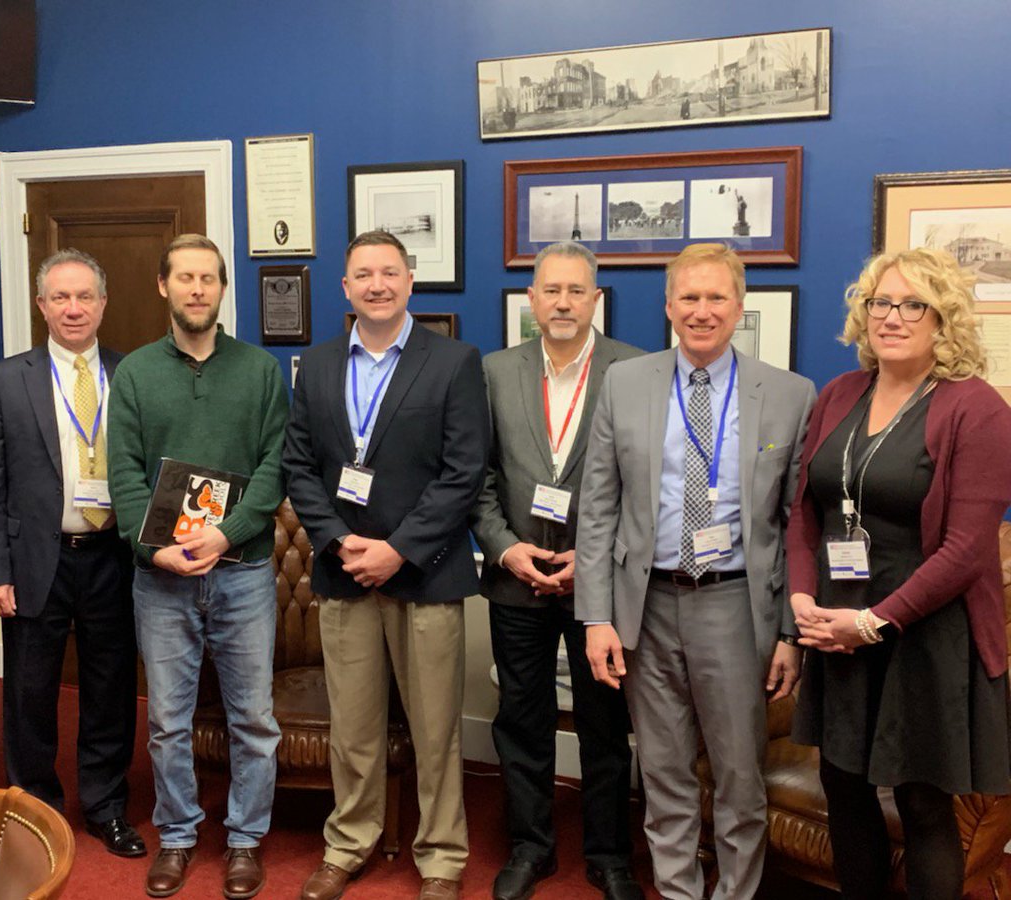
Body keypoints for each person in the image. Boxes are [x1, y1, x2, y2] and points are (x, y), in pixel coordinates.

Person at [576, 243, 816, 900]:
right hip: (645, 604)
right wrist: (597, 616)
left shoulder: (791, 395)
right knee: (663, 774)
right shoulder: (625, 384)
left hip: (736, 608)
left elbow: (799, 523)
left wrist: (792, 632)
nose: (702, 311)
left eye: (716, 298)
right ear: (668, 306)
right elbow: (598, 508)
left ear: (739, 306)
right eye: (689, 298)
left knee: (740, 779)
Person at [787, 248, 1011, 900]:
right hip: (836, 627)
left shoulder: (977, 409)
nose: (893, 316)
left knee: (921, 804)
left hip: (925, 638)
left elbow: (967, 549)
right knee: (843, 786)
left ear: (945, 320)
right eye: (881, 302)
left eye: (915, 304)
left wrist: (872, 622)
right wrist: (804, 597)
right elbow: (805, 512)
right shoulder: (838, 395)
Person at [284, 231, 490, 900]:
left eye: (389, 272)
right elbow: (300, 467)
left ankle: (439, 857)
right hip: (345, 573)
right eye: (363, 274)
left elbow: (464, 474)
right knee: (355, 729)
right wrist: (341, 542)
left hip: (425, 575)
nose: (377, 284)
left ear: (410, 282)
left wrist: (397, 549)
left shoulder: (454, 361)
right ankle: (349, 842)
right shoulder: (314, 366)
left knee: (434, 731)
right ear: (345, 288)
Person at [108, 234, 288, 900]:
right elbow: (121, 472)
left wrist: (227, 534)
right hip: (160, 579)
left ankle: (245, 840)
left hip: (241, 574)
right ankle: (178, 837)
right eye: (184, 277)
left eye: (208, 278)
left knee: (253, 719)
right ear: (163, 286)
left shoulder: (260, 371)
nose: (196, 289)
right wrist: (151, 546)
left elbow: (277, 466)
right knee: (167, 721)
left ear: (221, 288)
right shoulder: (134, 374)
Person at [470, 242, 644, 900]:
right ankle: (531, 846)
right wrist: (504, 546)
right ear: (532, 300)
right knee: (522, 717)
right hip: (516, 578)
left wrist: (595, 559)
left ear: (595, 299)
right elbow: (478, 479)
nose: (564, 302)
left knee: (605, 724)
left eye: (577, 290)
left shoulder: (633, 372)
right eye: (551, 290)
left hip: (600, 586)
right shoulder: (494, 372)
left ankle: (608, 854)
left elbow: (643, 487)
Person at [0, 249, 144, 858]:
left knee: (111, 689)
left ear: (103, 303)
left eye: (85, 296)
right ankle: (35, 809)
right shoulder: (1, 380)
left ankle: (104, 805)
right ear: (41, 305)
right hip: (33, 560)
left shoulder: (134, 374)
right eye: (60, 297)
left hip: (113, 557)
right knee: (29, 691)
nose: (74, 308)